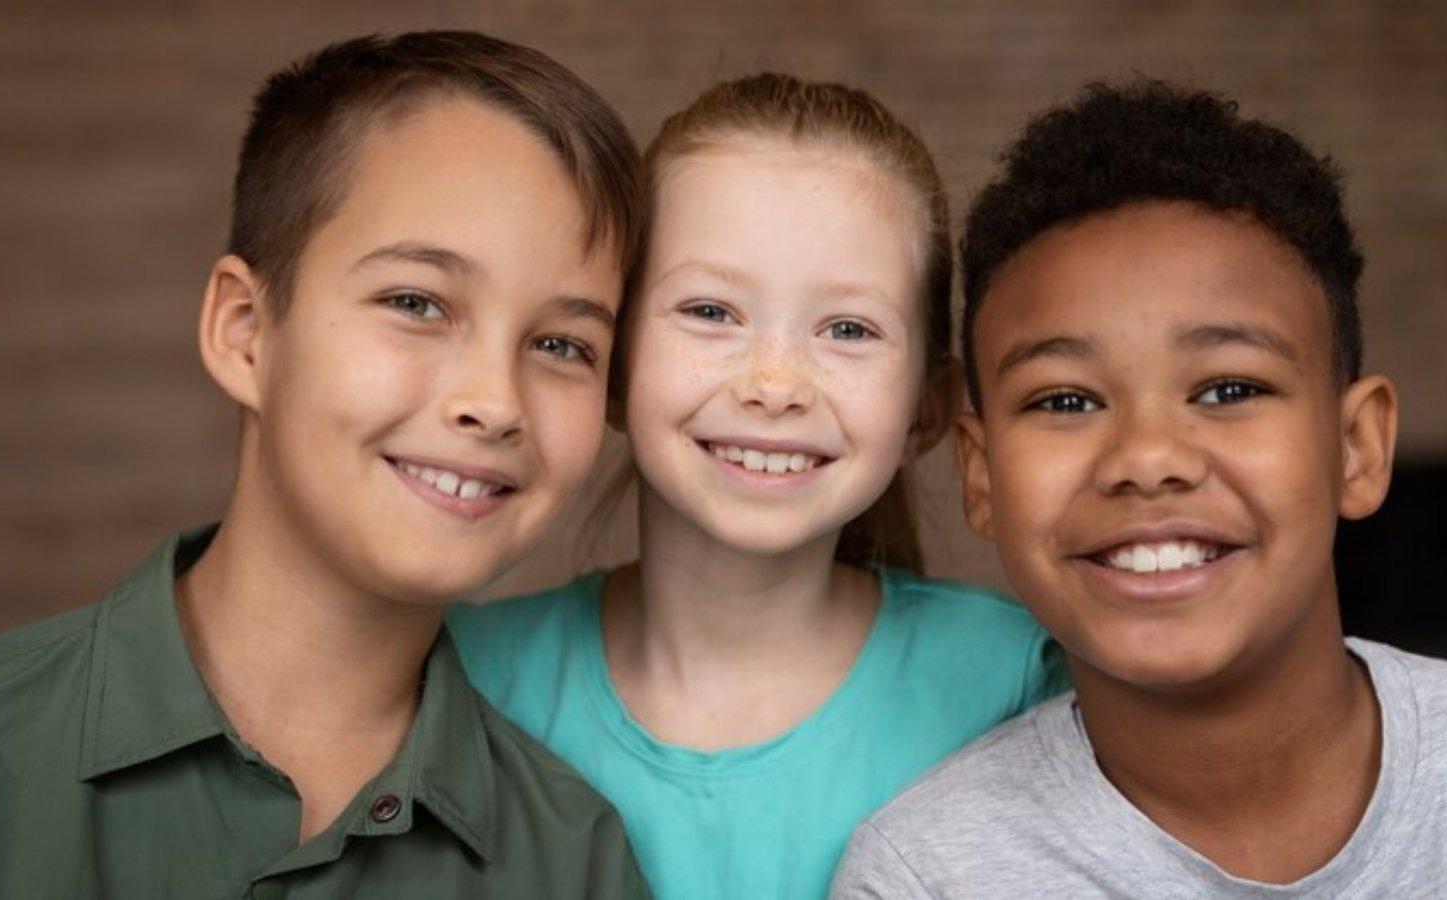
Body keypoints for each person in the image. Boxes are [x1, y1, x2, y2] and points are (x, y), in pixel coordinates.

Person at [830, 79, 1447, 899]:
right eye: (1066, 400)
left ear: (1357, 446)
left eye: (1227, 389)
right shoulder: (928, 876)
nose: (1148, 459)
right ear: (980, 475)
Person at [0, 31, 652, 898]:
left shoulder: (574, 862)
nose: (496, 401)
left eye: (563, 343)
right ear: (245, 333)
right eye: (416, 302)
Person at [447, 73, 1069, 900]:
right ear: (615, 366)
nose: (775, 384)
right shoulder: (463, 681)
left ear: (927, 406)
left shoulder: (1025, 683)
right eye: (710, 312)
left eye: (848, 329)